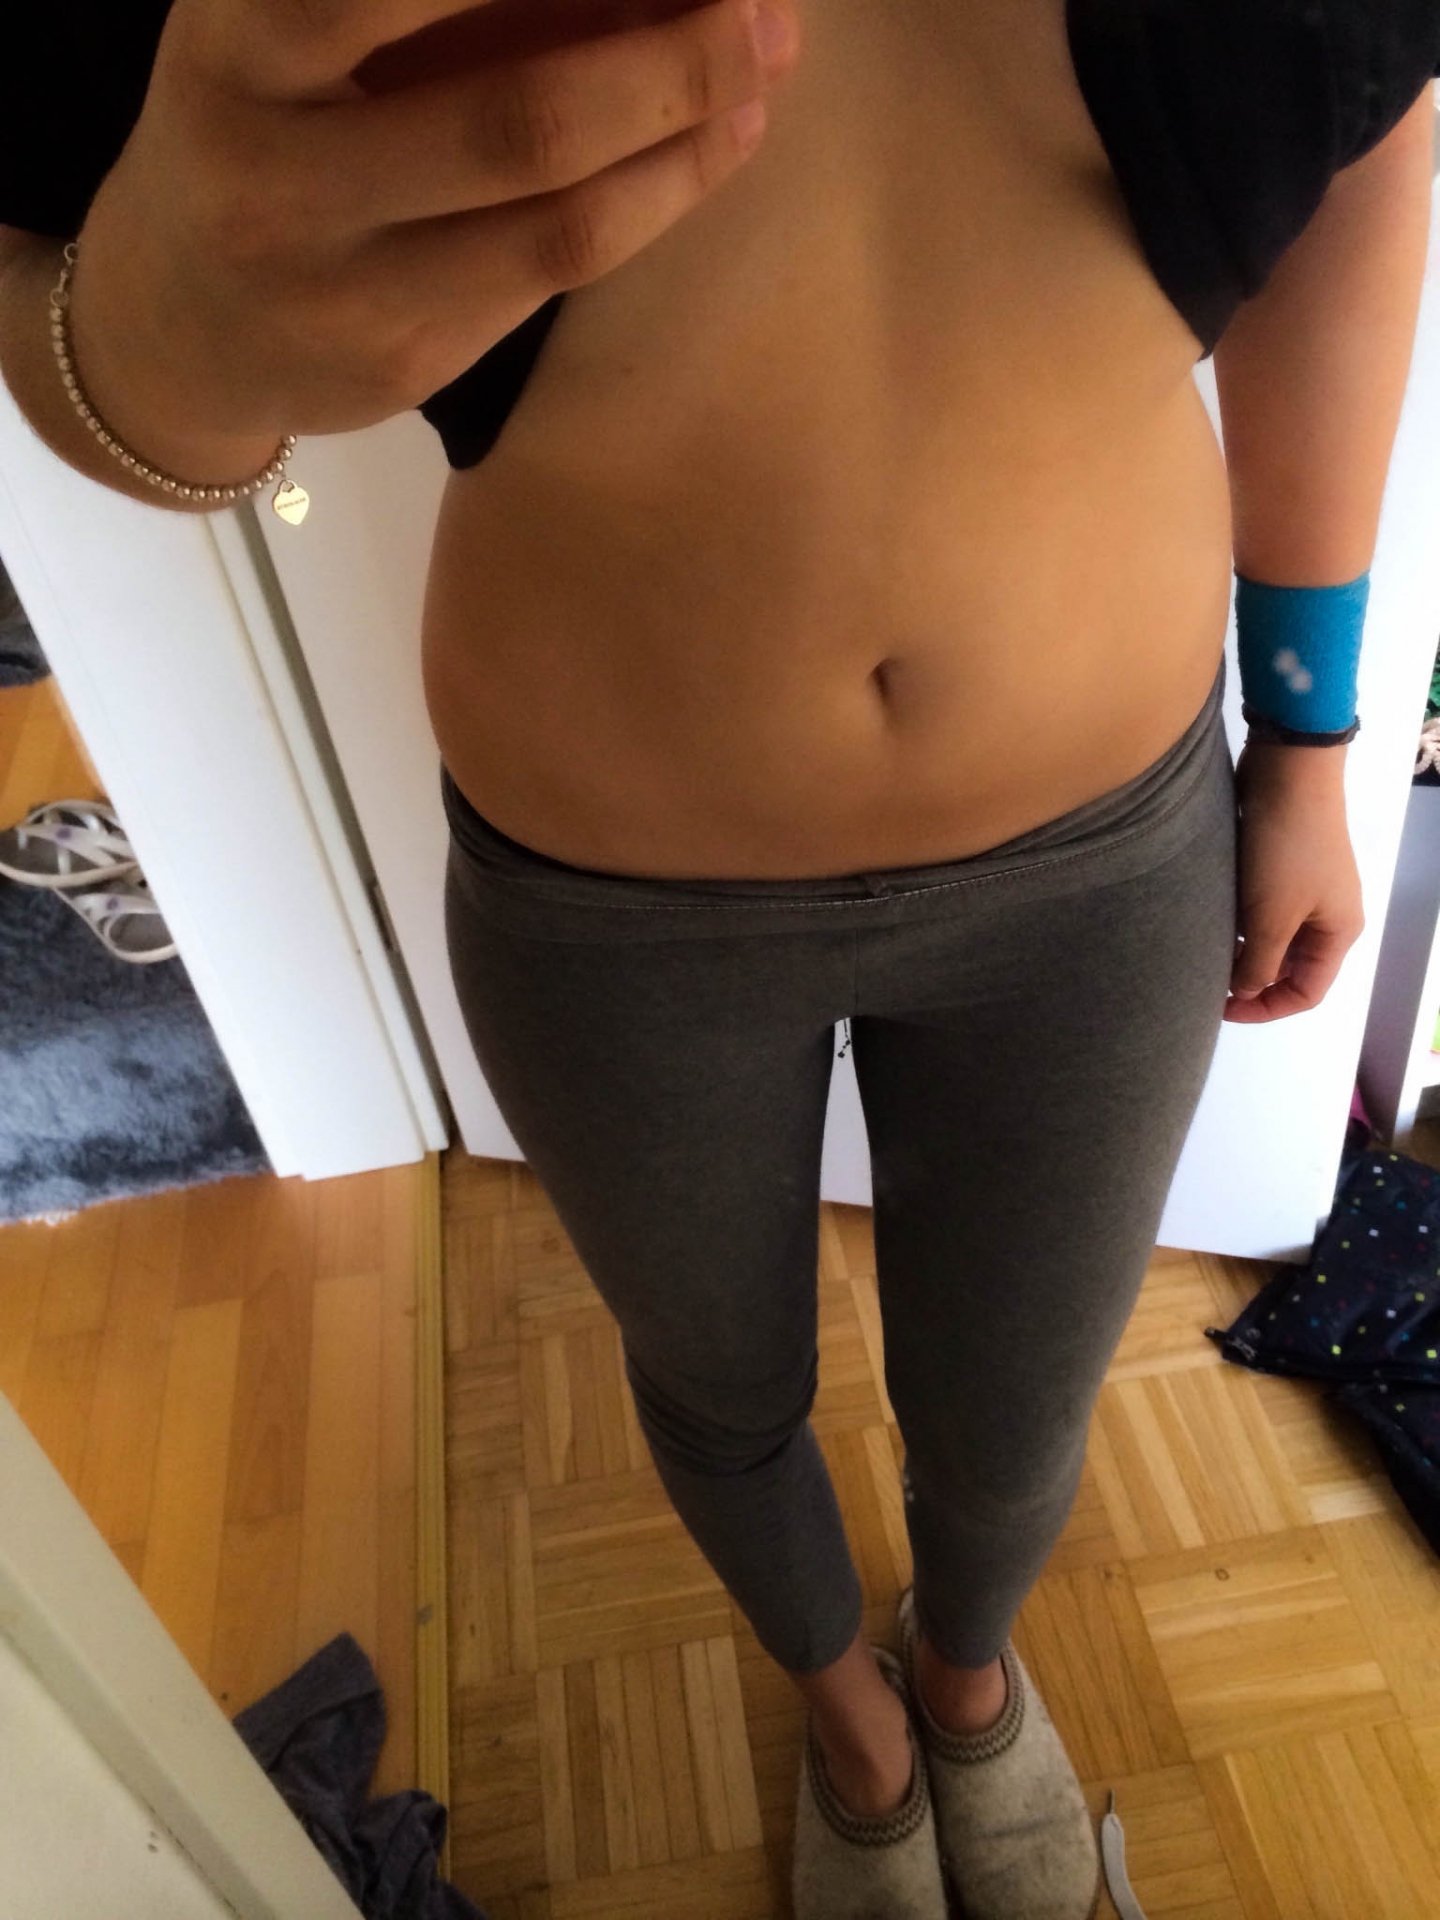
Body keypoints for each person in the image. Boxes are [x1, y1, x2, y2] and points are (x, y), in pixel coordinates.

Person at [2, 4, 1437, 1915]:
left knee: (1020, 1407)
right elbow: (65, 273)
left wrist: (1315, 736)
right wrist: (147, 361)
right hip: (611, 908)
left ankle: (966, 1681)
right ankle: (849, 1723)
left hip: (1096, 871)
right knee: (719, 1386)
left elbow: (1367, 161)